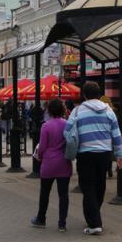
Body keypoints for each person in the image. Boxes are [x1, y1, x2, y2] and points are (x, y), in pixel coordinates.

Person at [64, 82, 122, 235]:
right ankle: (94, 214)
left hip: (85, 154)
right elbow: (116, 134)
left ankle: (94, 223)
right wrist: (120, 155)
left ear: (84, 95)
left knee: (87, 187)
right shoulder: (109, 111)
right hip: (104, 154)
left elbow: (66, 132)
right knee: (100, 185)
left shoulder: (77, 111)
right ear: (99, 94)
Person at [30, 98, 72, 231]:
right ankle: (62, 223)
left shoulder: (46, 126)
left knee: (45, 192)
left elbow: (42, 147)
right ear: (63, 110)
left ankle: (41, 218)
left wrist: (39, 157)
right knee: (63, 194)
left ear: (49, 111)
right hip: (64, 162)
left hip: (48, 163)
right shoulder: (67, 124)